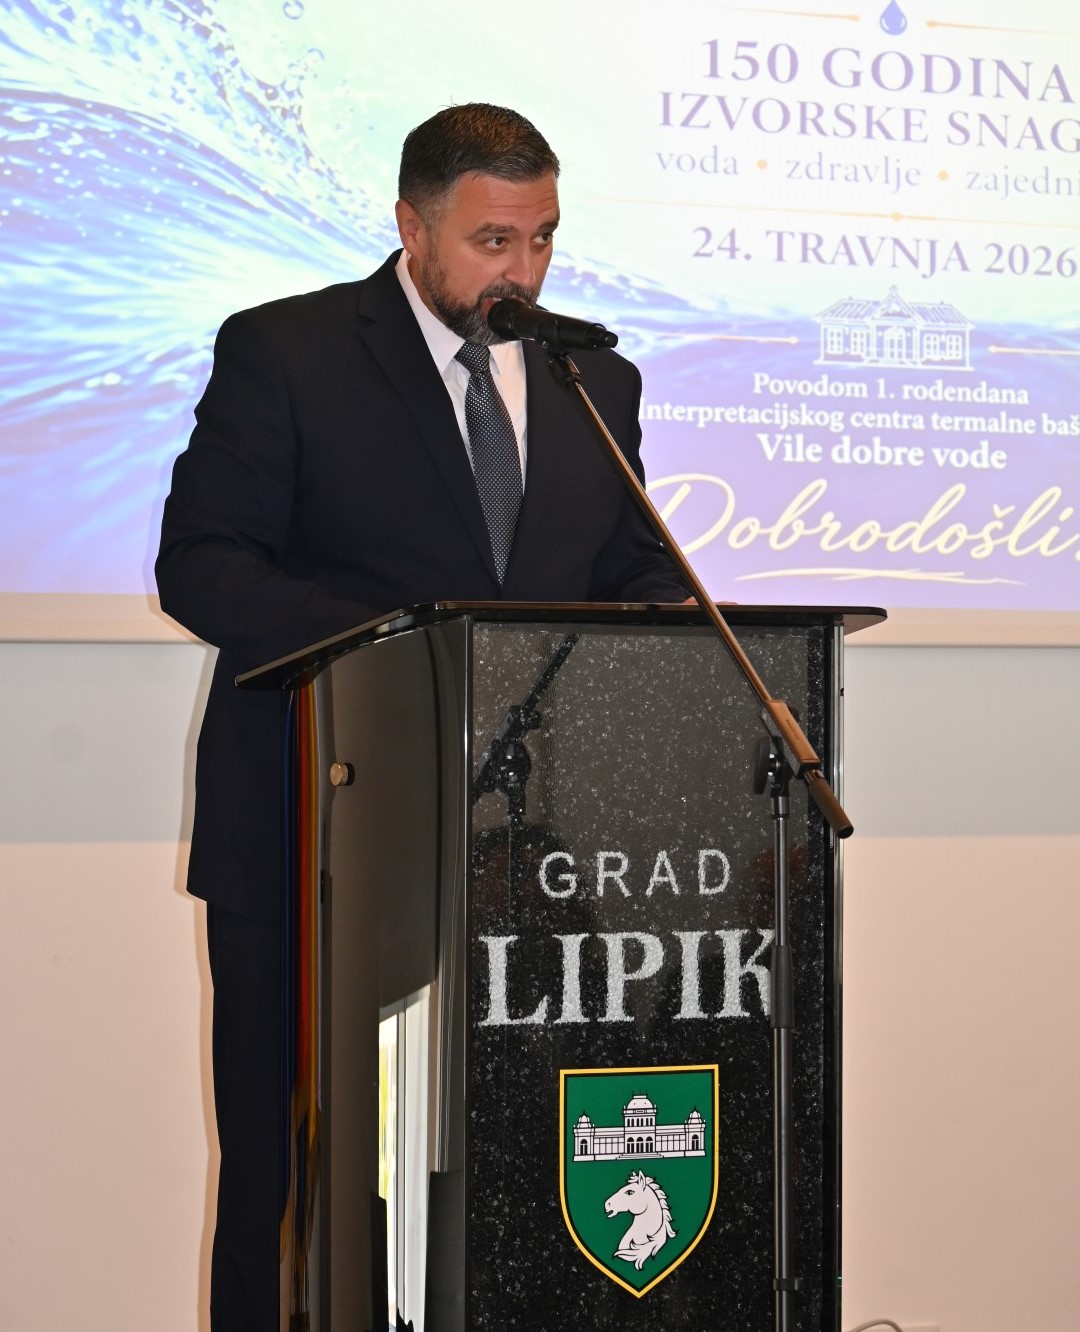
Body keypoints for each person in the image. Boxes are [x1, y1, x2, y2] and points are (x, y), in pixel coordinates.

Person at [156, 102, 687, 1330]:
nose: (523, 272)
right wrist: (409, 644)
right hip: (314, 837)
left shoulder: (595, 379)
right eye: (494, 241)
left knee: (507, 1171)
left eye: (542, 239)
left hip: (523, 857)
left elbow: (636, 574)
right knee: (297, 1177)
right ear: (412, 225)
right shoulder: (287, 353)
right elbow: (205, 567)